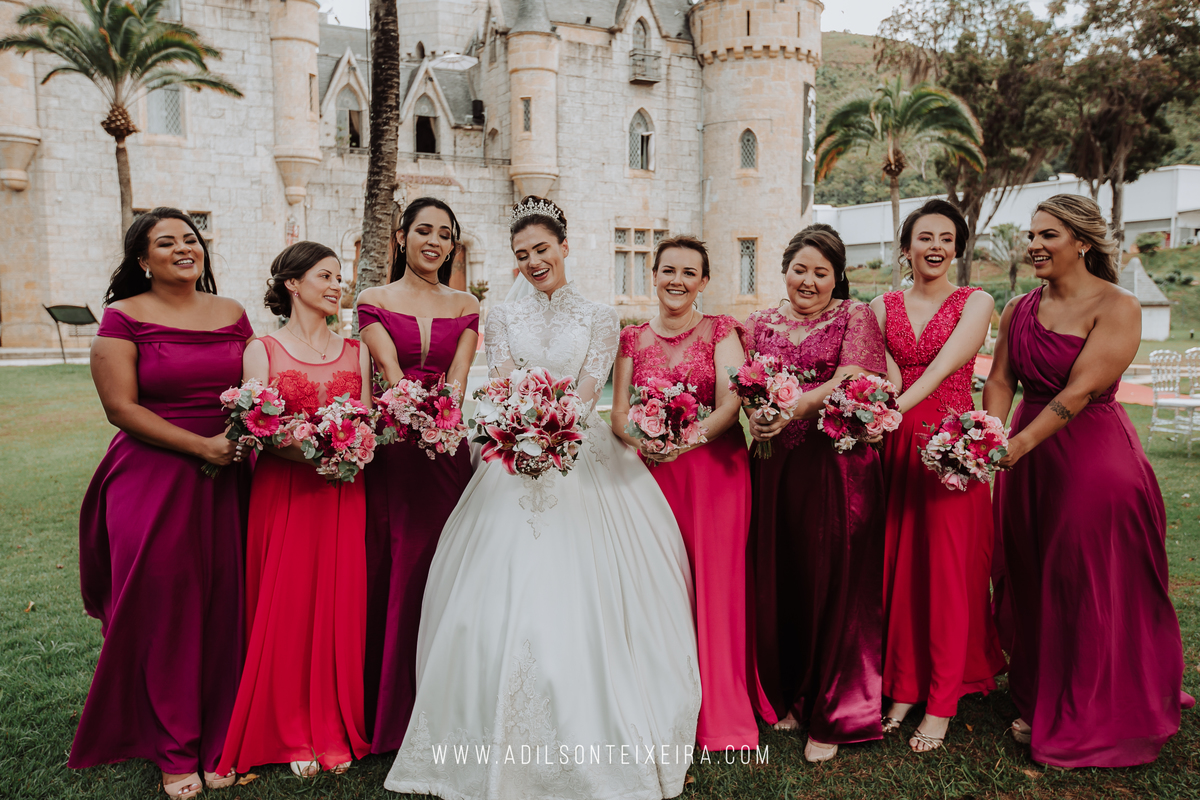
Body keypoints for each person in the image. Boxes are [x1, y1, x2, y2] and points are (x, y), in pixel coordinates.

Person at [384, 197, 700, 800]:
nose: (533, 261)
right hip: (513, 451)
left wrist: (553, 431)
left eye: (541, 249)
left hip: (579, 455)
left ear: (563, 246)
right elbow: (501, 379)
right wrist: (519, 428)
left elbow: (587, 391)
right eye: (521, 253)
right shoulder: (498, 316)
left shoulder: (602, 317)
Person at [984, 194, 1184, 768]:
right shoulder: (1020, 305)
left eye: (1048, 235)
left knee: (1082, 576)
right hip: (1025, 457)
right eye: (1032, 235)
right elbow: (1000, 379)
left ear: (1083, 242)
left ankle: (1097, 703)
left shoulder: (1118, 305)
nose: (1035, 245)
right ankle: (1041, 690)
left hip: (1092, 459)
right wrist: (988, 433)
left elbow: (1079, 393)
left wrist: (1017, 443)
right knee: (1030, 568)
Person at [71, 208, 252, 798]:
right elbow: (120, 408)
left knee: (228, 600)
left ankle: (224, 734)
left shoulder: (230, 313)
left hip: (230, 472)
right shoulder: (123, 318)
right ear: (142, 260)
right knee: (164, 606)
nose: (183, 247)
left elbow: (257, 387)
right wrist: (202, 445)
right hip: (152, 473)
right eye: (165, 241)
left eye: (191, 238)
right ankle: (174, 749)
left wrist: (247, 438)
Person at [217, 242, 373, 778]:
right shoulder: (262, 349)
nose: (337, 285)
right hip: (285, 495)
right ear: (292, 283)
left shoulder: (359, 352)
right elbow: (255, 426)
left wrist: (350, 453)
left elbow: (368, 422)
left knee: (339, 603)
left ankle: (332, 723)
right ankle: (288, 730)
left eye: (340, 277)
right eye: (325, 276)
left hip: (343, 495)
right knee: (286, 605)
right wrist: (312, 454)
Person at [611, 235, 768, 752]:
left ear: (704, 281)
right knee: (658, 587)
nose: (676, 281)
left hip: (714, 473)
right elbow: (617, 415)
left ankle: (720, 712)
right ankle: (661, 704)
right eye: (667, 270)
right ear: (652, 274)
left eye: (688, 272)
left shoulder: (722, 331)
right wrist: (647, 441)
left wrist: (683, 442)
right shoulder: (632, 337)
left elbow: (727, 406)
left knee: (715, 586)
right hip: (651, 475)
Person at [746, 224, 887, 763]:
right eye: (799, 269)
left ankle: (833, 709)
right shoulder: (759, 322)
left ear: (837, 277)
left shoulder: (855, 316)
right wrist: (758, 416)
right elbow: (747, 384)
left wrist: (791, 407)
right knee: (783, 574)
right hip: (775, 466)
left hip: (837, 466)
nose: (808, 281)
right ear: (785, 270)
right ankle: (784, 693)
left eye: (821, 272)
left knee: (835, 580)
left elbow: (852, 378)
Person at [870, 199, 1006, 752]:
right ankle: (902, 687)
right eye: (924, 237)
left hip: (952, 446)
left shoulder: (976, 301)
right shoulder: (881, 305)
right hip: (897, 446)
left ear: (957, 247)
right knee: (901, 567)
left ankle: (943, 700)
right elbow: (885, 365)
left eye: (946, 238)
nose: (935, 247)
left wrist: (895, 406)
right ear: (906, 247)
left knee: (950, 572)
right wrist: (886, 412)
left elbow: (949, 363)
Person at [358, 198, 480, 753]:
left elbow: (457, 376)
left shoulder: (467, 303)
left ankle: (449, 700)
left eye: (445, 234)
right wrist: (414, 413)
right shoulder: (373, 300)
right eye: (423, 230)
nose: (434, 241)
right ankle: (390, 710)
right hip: (397, 449)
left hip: (447, 449)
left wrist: (445, 420)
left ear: (453, 245)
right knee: (398, 564)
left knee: (450, 565)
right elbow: (390, 372)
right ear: (401, 237)